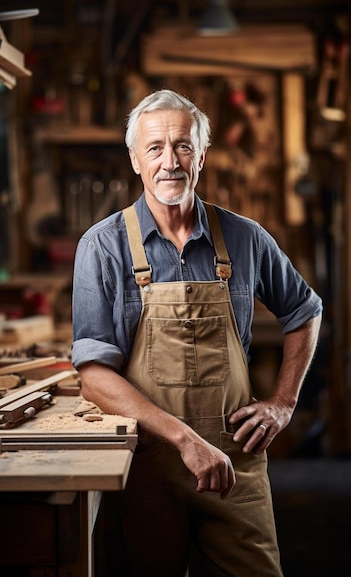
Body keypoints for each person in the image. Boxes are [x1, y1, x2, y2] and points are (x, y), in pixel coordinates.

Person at [71, 89, 322, 577]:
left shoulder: (245, 238)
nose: (170, 162)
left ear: (202, 155)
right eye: (155, 148)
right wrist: (184, 440)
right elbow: (95, 378)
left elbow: (305, 311)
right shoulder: (102, 247)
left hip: (236, 461)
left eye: (183, 146)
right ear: (135, 159)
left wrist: (283, 403)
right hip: (149, 466)